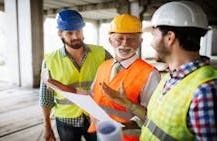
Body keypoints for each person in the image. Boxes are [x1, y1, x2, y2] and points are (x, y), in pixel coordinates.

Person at [103, 1, 217, 141]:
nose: (151, 43)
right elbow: (153, 118)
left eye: (154, 35)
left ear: (169, 37)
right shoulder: (170, 77)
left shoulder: (205, 91)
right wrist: (128, 104)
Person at [39, 9, 112, 141]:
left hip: (97, 116)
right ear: (60, 34)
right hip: (67, 121)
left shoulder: (101, 53)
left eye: (78, 31)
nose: (75, 36)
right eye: (70, 33)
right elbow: (46, 97)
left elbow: (115, 81)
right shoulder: (50, 60)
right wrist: (47, 126)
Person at [87, 14, 161, 141]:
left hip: (129, 138)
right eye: (119, 38)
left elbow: (151, 115)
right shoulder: (103, 66)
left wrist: (120, 126)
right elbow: (94, 95)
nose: (125, 43)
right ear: (110, 40)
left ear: (140, 42)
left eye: (131, 39)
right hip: (102, 134)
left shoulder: (149, 73)